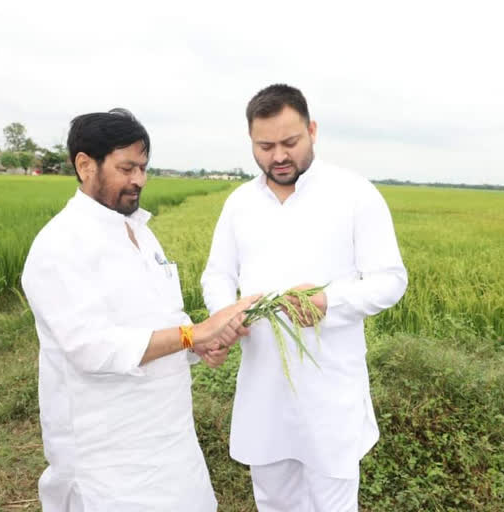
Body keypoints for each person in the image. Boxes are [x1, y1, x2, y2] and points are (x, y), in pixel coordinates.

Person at [21, 109, 255, 511]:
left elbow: (164, 316)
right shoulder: (59, 246)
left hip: (170, 439)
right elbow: (91, 349)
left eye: (143, 168)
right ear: (84, 165)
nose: (139, 181)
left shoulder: (141, 234)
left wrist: (198, 344)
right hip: (108, 455)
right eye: (126, 168)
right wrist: (193, 334)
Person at [201, 84, 408, 512]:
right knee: (274, 501)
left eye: (290, 142)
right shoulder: (240, 203)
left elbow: (390, 280)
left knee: (332, 502)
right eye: (265, 146)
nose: (278, 156)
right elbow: (218, 274)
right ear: (251, 142)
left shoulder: (354, 194)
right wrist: (225, 314)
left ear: (312, 130)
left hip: (329, 391)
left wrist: (327, 302)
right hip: (263, 388)